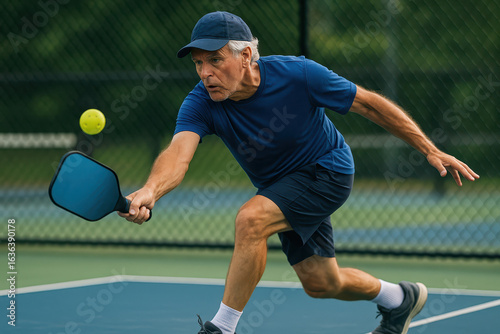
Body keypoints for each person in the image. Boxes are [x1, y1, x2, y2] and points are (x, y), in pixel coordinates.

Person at [118, 11, 479, 334]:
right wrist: (151, 190)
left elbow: (369, 105)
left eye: (215, 59)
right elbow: (177, 156)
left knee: (250, 220)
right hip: (280, 187)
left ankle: (221, 329)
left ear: (245, 56)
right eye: (198, 63)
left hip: (328, 170)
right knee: (321, 282)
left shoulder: (299, 74)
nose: (206, 73)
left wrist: (429, 149)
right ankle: (399, 299)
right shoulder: (201, 102)